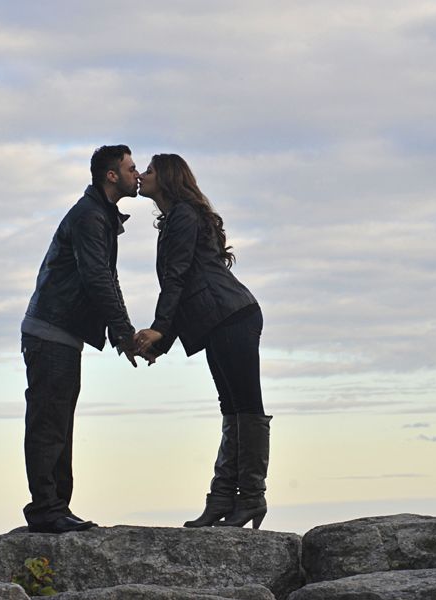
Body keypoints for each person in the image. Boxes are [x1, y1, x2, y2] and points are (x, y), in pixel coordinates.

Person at [134, 154, 272, 530]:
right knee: (232, 409)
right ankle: (223, 499)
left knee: (246, 407)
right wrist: (160, 343)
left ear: (167, 177)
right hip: (219, 320)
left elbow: (176, 279)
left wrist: (159, 328)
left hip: (232, 316)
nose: (142, 176)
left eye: (148, 170)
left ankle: (252, 498)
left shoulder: (182, 215)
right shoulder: (178, 217)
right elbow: (182, 288)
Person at [19, 144, 147, 534]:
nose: (137, 174)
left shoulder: (101, 216)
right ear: (112, 176)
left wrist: (122, 334)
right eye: (131, 168)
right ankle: (46, 509)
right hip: (50, 332)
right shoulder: (91, 216)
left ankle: (57, 506)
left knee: (59, 421)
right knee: (49, 422)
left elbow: (107, 279)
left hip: (61, 335)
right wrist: (125, 334)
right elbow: (97, 280)